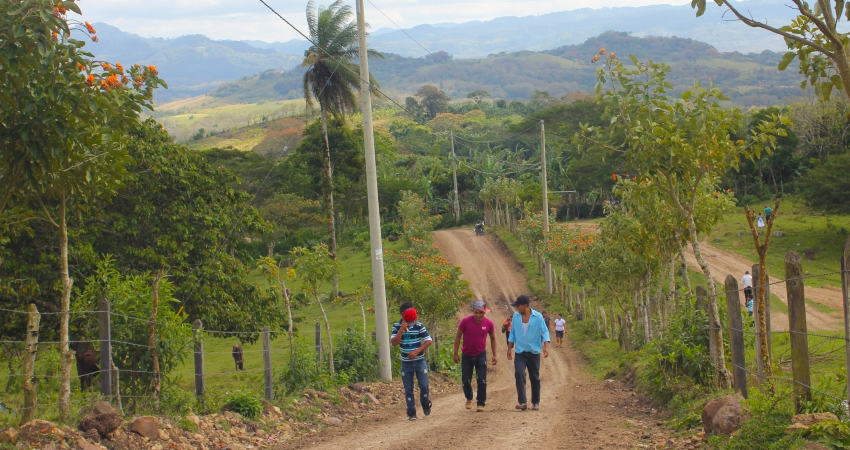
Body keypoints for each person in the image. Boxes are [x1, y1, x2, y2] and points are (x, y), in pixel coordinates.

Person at [507, 295, 550, 411]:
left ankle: (535, 402)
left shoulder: (538, 317)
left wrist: (546, 347)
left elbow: (545, 332)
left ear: (525, 306)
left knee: (534, 377)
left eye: (518, 306)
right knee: (519, 373)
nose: (517, 309)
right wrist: (509, 348)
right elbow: (513, 334)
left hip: (534, 352)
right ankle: (522, 402)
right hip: (520, 352)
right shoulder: (516, 317)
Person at [453, 300, 497, 412]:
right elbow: (458, 337)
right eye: (476, 312)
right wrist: (456, 353)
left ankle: (481, 403)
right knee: (466, 380)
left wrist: (495, 355)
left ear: (484, 313)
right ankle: (469, 398)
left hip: (480, 355)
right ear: (473, 311)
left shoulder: (489, 324)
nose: (478, 315)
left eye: (481, 313)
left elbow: (493, 338)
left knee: (481, 380)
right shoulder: (465, 321)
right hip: (467, 355)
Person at [391, 302, 433, 420]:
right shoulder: (396, 326)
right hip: (406, 362)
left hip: (419, 360)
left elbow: (428, 340)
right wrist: (401, 330)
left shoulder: (418, 325)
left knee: (424, 386)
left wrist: (417, 351)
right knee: (408, 389)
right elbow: (394, 343)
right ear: (402, 314)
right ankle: (411, 412)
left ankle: (425, 402)